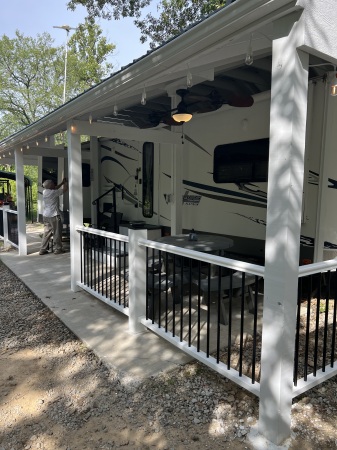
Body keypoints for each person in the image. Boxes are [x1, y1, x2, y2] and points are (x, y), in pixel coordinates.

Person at [39, 178, 68, 255]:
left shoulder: (45, 191)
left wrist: (61, 182)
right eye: (52, 183)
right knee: (57, 232)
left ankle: (42, 249)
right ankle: (58, 249)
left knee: (46, 233)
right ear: (50, 185)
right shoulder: (53, 193)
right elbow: (65, 190)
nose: (54, 184)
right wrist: (65, 183)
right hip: (54, 215)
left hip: (46, 215)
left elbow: (55, 188)